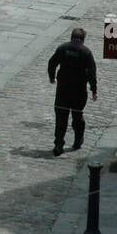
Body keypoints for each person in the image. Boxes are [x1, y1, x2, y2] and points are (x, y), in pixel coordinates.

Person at [48, 25, 97, 156]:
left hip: (63, 89)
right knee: (77, 115)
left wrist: (52, 78)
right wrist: (94, 89)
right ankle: (77, 141)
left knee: (61, 117)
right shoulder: (86, 52)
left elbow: (52, 63)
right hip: (79, 90)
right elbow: (92, 72)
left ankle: (58, 144)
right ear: (83, 39)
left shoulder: (63, 48)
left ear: (71, 37)